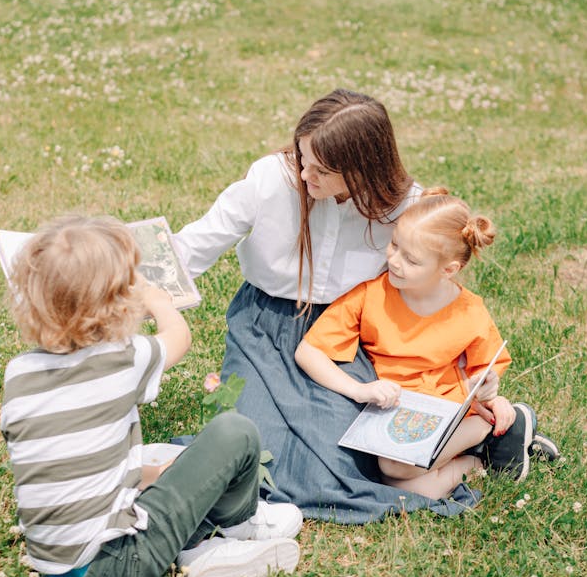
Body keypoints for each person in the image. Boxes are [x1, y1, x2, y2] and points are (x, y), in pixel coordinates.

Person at [173, 88, 461, 523]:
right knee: (258, 454)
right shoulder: (272, 178)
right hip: (263, 328)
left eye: (322, 170)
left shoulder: (403, 206)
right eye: (301, 156)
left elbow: (438, 276)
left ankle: (490, 440)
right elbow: (196, 244)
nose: (305, 173)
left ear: (363, 169)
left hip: (343, 336)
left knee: (346, 462)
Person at [0, 214, 303, 577]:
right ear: (117, 303)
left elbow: (79, 458)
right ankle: (236, 528)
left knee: (163, 459)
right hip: (121, 563)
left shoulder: (19, 372)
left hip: (52, 562)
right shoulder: (121, 359)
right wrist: (158, 302)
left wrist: (154, 474)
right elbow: (179, 336)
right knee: (235, 433)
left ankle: (198, 547)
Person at [295, 188, 535, 499]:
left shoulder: (469, 310)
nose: (394, 261)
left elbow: (485, 372)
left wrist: (489, 390)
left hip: (448, 412)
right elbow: (308, 351)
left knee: (395, 470)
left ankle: (488, 430)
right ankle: (483, 455)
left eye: (411, 259)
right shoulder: (371, 295)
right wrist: (359, 390)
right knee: (412, 490)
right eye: (394, 244)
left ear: (448, 270)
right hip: (397, 414)